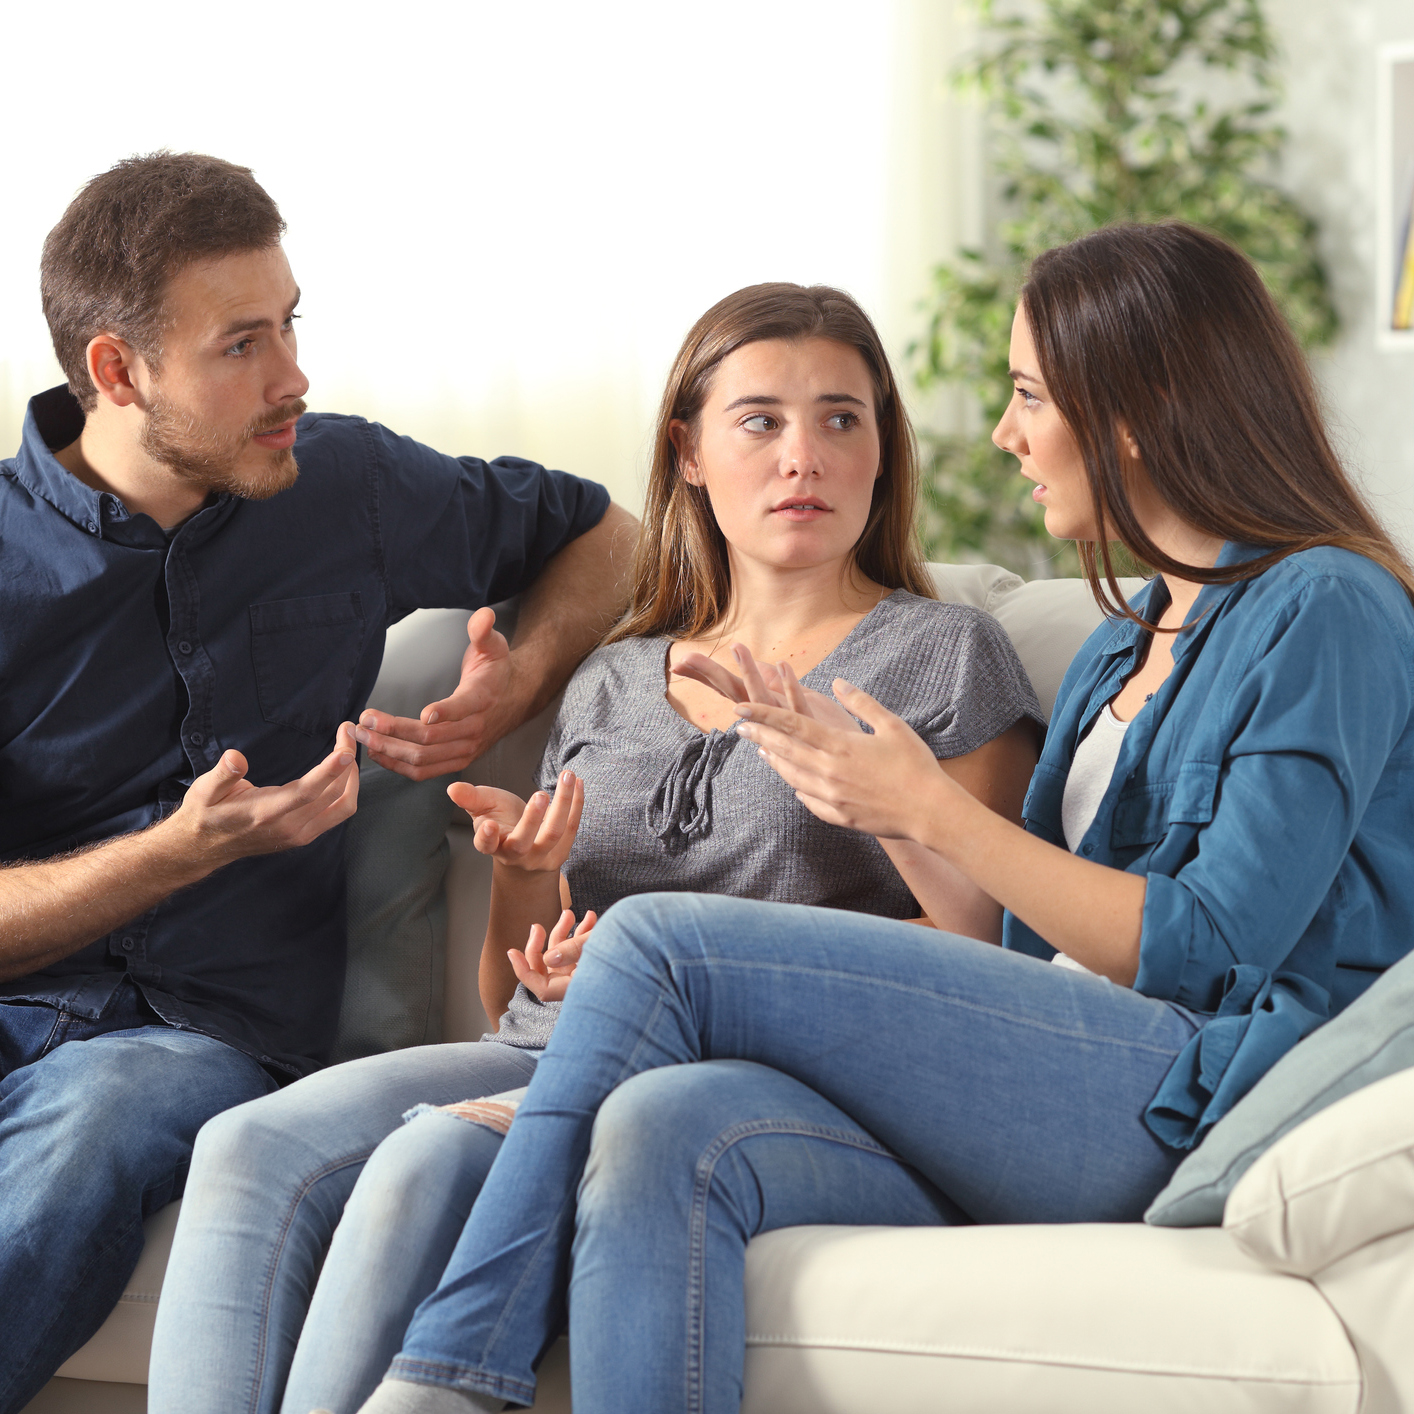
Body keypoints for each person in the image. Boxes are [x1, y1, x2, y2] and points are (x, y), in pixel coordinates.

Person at [350, 221, 1414, 1414]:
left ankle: (445, 1381)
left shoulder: (1328, 603)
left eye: (1027, 395)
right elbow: (1026, 940)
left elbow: (1211, 947)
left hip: (1184, 1085)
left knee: (657, 936)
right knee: (657, 1122)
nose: (1007, 435)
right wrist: (883, 805)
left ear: (1135, 406)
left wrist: (936, 814)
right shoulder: (1127, 638)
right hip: (1052, 1058)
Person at [146, 281, 1043, 1414]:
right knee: (245, 1146)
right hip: (542, 1050)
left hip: (742, 1080)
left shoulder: (942, 655)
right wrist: (523, 880)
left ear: (881, 451)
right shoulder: (614, 677)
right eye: (760, 420)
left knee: (425, 1162)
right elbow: (512, 991)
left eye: (841, 419)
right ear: (690, 451)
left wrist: (879, 797)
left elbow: (987, 953)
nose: (803, 457)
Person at [0, 151, 636, 1414]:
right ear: (118, 371)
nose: (293, 376)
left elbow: (608, 534)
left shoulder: (344, 485)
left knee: (97, 1116)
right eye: (242, 344)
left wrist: (516, 685)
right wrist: (175, 852)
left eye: (291, 325)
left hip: (194, 1039)